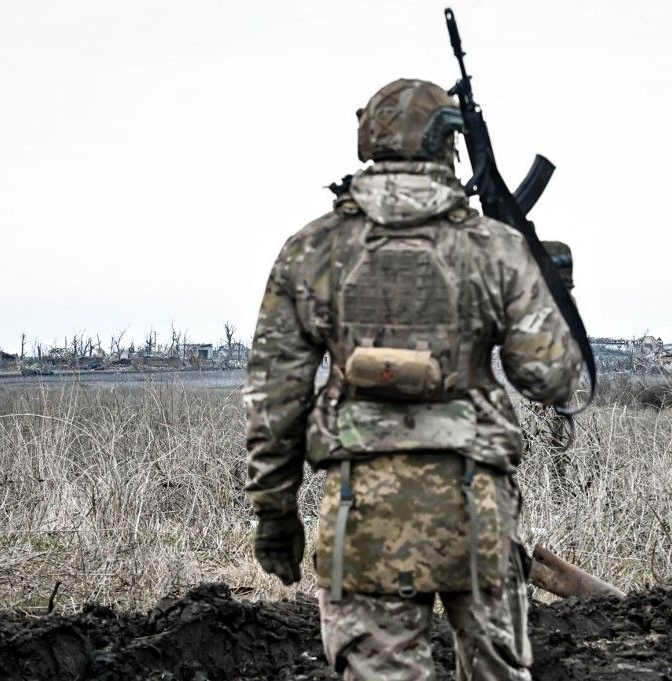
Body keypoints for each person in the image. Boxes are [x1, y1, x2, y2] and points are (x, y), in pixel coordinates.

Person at [243, 78, 582, 681]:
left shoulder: (311, 249)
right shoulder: (496, 249)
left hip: (360, 511)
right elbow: (550, 379)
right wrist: (555, 293)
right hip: (476, 509)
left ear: (368, 139)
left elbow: (275, 399)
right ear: (450, 143)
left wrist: (274, 514)